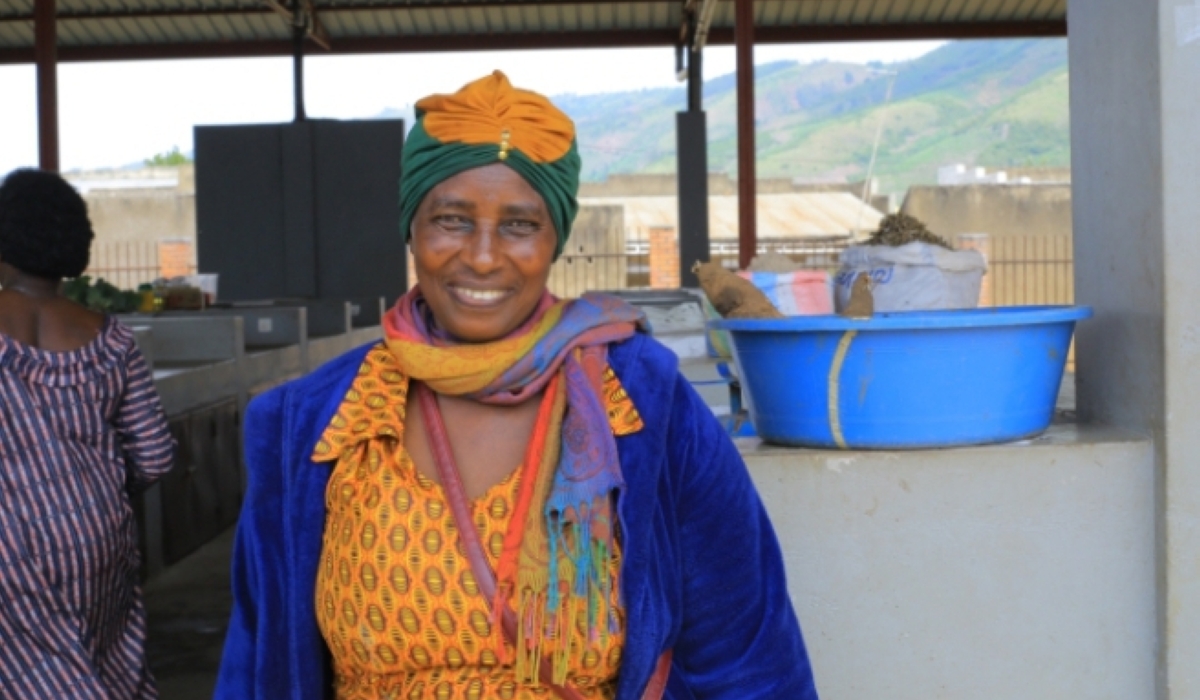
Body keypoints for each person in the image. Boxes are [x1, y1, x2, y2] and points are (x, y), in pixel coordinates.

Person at [216, 71, 818, 700]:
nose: (481, 256)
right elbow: (258, 666)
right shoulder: (315, 423)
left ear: (555, 238)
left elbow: (747, 656)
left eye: (519, 225)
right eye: (450, 219)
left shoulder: (644, 405)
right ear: (411, 231)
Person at [0, 168, 175, 698]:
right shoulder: (112, 339)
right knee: (98, 667)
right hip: (99, 539)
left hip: (10, 548)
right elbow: (156, 456)